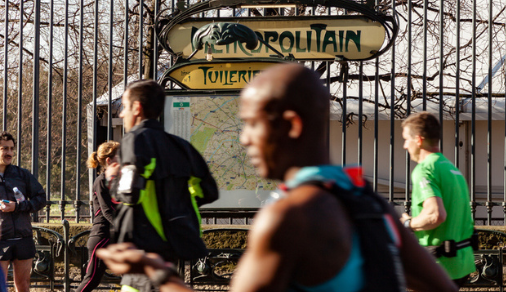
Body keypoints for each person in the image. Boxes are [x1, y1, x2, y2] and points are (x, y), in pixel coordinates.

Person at [98, 63, 457, 292]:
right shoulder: (371, 204)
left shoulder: (288, 216)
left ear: (290, 125)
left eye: (253, 124)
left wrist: (156, 273)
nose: (244, 138)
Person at [109, 80, 219, 292]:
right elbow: (208, 191)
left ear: (137, 108)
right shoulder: (181, 145)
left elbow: (129, 193)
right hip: (172, 245)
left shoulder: (134, 139)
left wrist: (112, 179)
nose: (122, 114)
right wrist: (174, 204)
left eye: (124, 106)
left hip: (144, 249)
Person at [399, 112, 476, 288]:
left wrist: (407, 224)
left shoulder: (424, 170)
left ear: (418, 140)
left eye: (406, 139)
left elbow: (436, 215)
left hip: (439, 265)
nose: (404, 145)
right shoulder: (451, 169)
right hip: (461, 263)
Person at [0, 132, 47, 292]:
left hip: (23, 237)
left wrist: (18, 206)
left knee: (23, 286)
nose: (9, 153)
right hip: (1, 239)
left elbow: (41, 199)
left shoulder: (22, 174)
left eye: (11, 149)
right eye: (4, 148)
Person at [76, 141, 121, 292]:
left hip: (114, 237)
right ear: (109, 161)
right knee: (91, 280)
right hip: (102, 237)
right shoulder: (101, 181)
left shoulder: (117, 182)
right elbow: (107, 211)